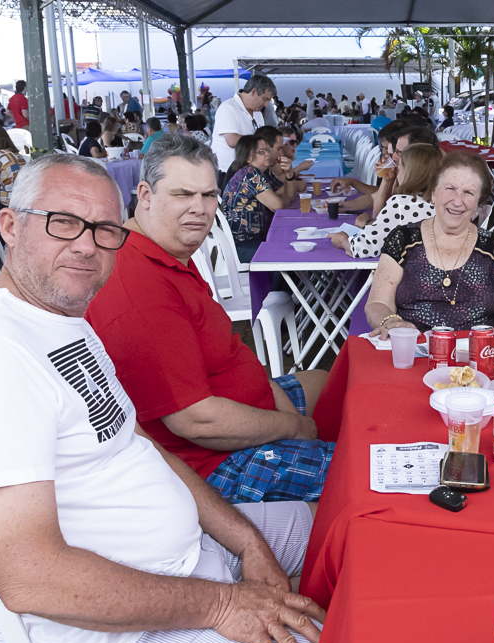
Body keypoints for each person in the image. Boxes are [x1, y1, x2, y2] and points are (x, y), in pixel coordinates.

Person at [0, 153, 324, 643]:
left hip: (192, 558)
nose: (86, 245)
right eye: (63, 223)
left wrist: (247, 541)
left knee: (345, 529)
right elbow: (32, 578)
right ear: (10, 226)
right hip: (120, 641)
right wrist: (222, 603)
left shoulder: (64, 320)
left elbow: (138, 444)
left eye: (104, 228)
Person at [86, 137, 334, 506]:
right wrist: (294, 427)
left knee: (337, 383)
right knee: (362, 470)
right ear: (145, 194)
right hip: (214, 463)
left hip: (234, 409)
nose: (199, 209)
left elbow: (228, 354)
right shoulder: (139, 288)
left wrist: (275, 401)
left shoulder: (163, 253)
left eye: (208, 195)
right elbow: (197, 421)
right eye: (183, 194)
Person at [365, 152, 494, 336]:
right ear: (434, 192)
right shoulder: (403, 240)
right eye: (450, 188)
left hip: (477, 357)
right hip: (412, 352)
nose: (457, 201)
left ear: (478, 204)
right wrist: (390, 321)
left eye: (468, 192)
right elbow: (377, 303)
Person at [331, 143, 443, 258]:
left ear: (410, 173)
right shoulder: (444, 202)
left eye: (399, 167)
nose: (397, 171)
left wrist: (343, 240)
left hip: (404, 273)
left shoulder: (402, 204)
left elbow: (364, 248)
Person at [221, 135, 293, 263]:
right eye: (261, 152)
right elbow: (279, 206)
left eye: (268, 150)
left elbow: (289, 195)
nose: (267, 154)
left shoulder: (263, 172)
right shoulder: (250, 173)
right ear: (248, 157)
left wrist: (290, 174)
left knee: (291, 245)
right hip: (242, 245)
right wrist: (284, 199)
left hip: (256, 238)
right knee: (286, 254)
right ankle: (274, 284)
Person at [212, 75, 275, 190]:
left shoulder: (257, 113)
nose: (266, 104)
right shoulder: (228, 108)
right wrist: (263, 143)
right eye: (265, 99)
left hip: (251, 172)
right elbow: (232, 140)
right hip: (229, 174)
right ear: (254, 91)